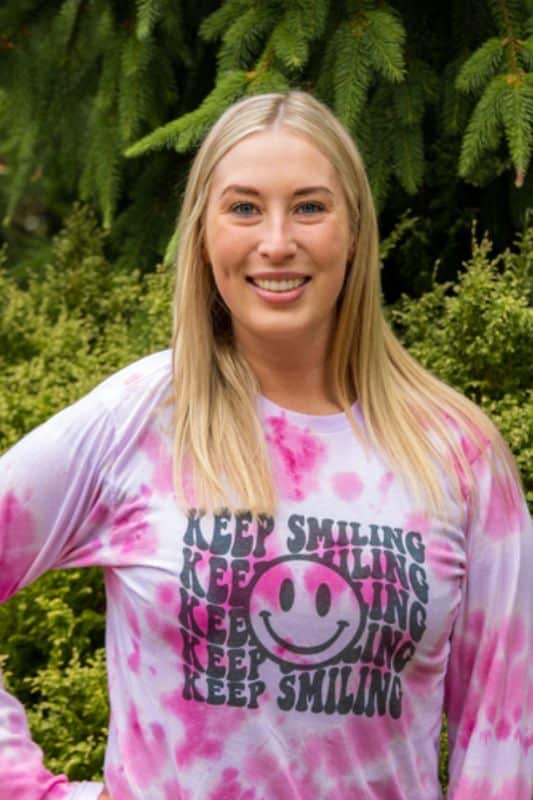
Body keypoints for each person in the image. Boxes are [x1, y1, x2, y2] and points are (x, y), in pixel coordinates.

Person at [0, 90, 531, 800]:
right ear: (203, 235)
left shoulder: (456, 453)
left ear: (354, 232)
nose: (276, 241)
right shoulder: (139, 420)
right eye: (244, 208)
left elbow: (504, 733)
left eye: (309, 207)